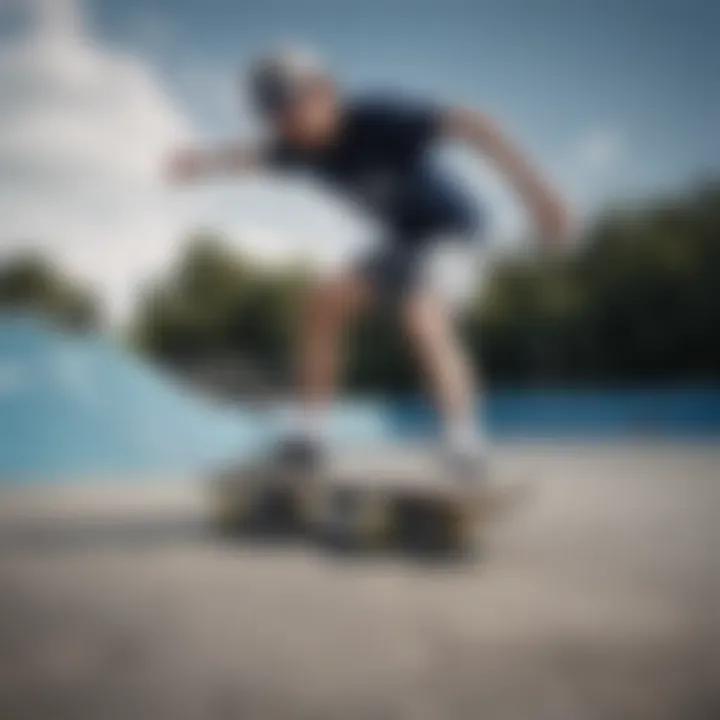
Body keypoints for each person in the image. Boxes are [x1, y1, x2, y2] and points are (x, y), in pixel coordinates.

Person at [168, 48, 570, 482]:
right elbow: (250, 156)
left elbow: (476, 125)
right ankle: (308, 442)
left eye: (291, 111)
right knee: (322, 304)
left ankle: (464, 445)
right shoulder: (297, 148)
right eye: (275, 120)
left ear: (325, 92)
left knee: (421, 313)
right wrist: (201, 165)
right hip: (402, 243)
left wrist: (537, 195)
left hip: (455, 232)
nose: (288, 129)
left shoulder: (380, 117)